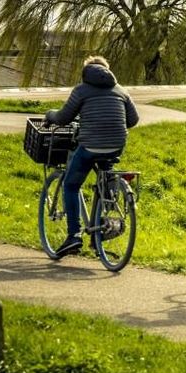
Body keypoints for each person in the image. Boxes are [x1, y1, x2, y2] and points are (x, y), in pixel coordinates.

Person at [45, 55, 140, 258]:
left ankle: (73, 236)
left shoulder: (81, 90)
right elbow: (133, 120)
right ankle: (102, 226)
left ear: (86, 73)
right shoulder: (121, 90)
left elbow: (63, 117)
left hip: (90, 146)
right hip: (116, 146)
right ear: (108, 71)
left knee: (71, 185)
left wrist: (49, 115)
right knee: (105, 177)